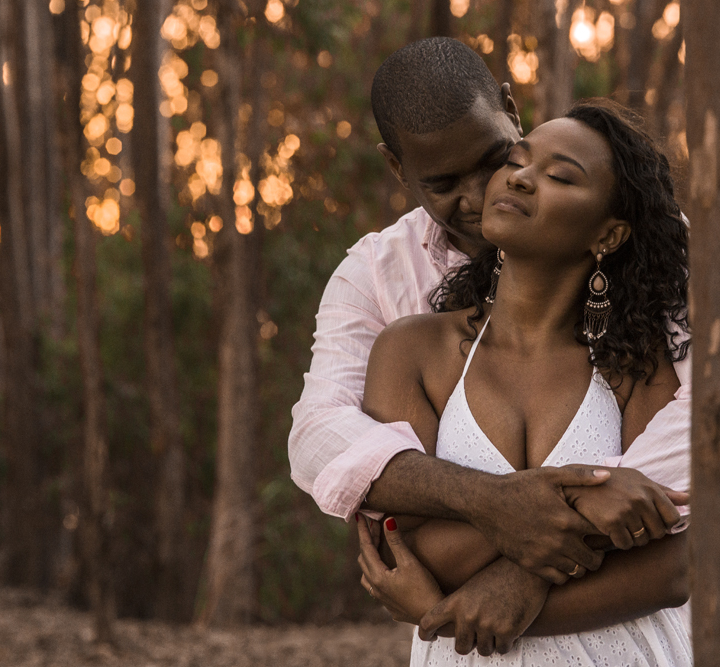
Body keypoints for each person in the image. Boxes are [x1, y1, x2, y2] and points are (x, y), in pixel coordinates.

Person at [289, 35, 690, 608]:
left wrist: (526, 570)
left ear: (511, 109)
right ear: (396, 167)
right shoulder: (382, 288)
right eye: (444, 185)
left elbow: (705, 433)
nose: (483, 195)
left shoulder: (650, 271)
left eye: (496, 158)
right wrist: (497, 503)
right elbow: (320, 440)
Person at [357, 99, 692, 665]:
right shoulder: (413, 351)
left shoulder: (635, 362)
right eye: (518, 159)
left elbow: (671, 570)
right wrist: (580, 501)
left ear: (608, 235)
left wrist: (511, 587)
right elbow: (397, 552)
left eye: (560, 176)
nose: (521, 178)